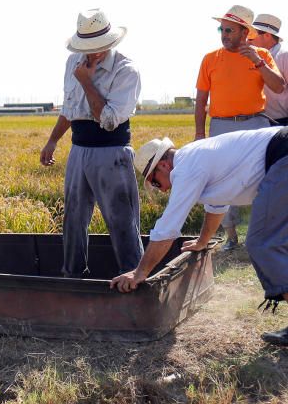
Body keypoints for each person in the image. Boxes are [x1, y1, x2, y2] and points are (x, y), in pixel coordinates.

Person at [111, 127, 288, 345]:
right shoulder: (197, 158)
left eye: (155, 183)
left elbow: (167, 228)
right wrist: (203, 241)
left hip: (282, 154)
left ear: (164, 165)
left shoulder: (186, 169)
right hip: (281, 152)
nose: (162, 190)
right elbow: (217, 203)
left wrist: (139, 273)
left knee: (262, 244)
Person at [40, 9, 143, 277]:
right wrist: (52, 141)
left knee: (122, 221)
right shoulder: (73, 62)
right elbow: (70, 107)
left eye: (98, 47)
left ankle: (133, 277)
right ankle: (73, 276)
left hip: (112, 152)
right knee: (73, 219)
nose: (92, 53)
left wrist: (86, 81)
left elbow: (108, 121)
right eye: (88, 47)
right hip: (79, 150)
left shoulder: (126, 71)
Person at [194, 5, 286, 250]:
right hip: (221, 127)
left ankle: (260, 237)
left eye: (229, 30)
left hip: (255, 125)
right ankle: (230, 237)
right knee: (220, 181)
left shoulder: (262, 57)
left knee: (261, 181)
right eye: (221, 29)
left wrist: (257, 62)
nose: (224, 34)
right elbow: (201, 99)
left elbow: (278, 87)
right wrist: (200, 134)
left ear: (245, 33)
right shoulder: (210, 59)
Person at [249, 13, 288, 125]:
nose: (248, 38)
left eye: (252, 34)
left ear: (267, 35)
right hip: (257, 121)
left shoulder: (285, 56)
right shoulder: (251, 55)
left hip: (282, 122)